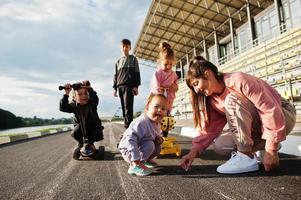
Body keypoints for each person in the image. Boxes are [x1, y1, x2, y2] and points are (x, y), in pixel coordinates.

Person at [180, 56, 296, 174]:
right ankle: (262, 146)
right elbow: (209, 129)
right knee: (221, 145)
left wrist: (272, 150)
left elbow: (269, 109)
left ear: (208, 74)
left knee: (232, 99)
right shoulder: (213, 100)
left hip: (282, 113)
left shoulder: (238, 79)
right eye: (193, 87)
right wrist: (193, 153)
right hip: (260, 123)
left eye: (196, 83)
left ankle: (245, 157)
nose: (196, 90)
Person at [118, 94, 168, 176]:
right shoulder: (142, 122)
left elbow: (154, 136)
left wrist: (159, 139)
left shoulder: (157, 123)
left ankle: (145, 160)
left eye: (163, 109)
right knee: (150, 144)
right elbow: (130, 140)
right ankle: (134, 166)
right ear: (147, 108)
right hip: (128, 150)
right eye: (156, 106)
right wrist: (135, 158)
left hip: (139, 146)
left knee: (157, 146)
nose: (160, 110)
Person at [59, 80, 104, 156]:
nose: (84, 96)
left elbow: (95, 98)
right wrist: (66, 93)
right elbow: (63, 107)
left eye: (86, 93)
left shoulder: (91, 104)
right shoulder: (74, 106)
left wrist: (90, 89)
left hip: (93, 129)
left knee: (97, 132)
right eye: (80, 94)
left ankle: (91, 144)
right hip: (80, 131)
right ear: (74, 97)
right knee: (75, 132)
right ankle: (81, 144)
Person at [150, 41, 178, 137]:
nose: (168, 67)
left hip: (169, 100)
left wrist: (174, 87)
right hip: (160, 99)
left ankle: (164, 136)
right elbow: (156, 88)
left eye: (171, 64)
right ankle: (156, 134)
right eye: (166, 64)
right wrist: (161, 90)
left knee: (168, 119)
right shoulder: (158, 73)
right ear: (160, 62)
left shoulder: (174, 74)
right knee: (158, 117)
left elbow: (176, 86)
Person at [113, 38, 141, 128]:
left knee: (128, 108)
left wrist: (136, 86)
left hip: (129, 86)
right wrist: (114, 88)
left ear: (130, 48)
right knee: (124, 109)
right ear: (121, 47)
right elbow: (115, 75)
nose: (125, 48)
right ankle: (127, 129)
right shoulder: (118, 62)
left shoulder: (133, 59)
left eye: (127, 46)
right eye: (123, 46)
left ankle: (129, 129)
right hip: (120, 86)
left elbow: (137, 73)